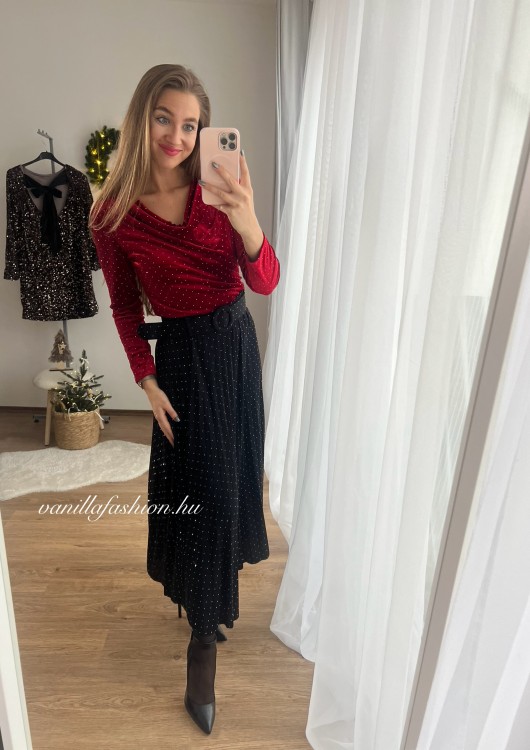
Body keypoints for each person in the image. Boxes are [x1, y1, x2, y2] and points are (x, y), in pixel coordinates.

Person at [89, 63, 280, 735]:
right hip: (179, 359)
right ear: (142, 116)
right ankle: (203, 638)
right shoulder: (112, 212)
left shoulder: (220, 185)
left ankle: (205, 612)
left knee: (228, 489)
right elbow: (122, 306)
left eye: (191, 125)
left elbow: (265, 281)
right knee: (201, 494)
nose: (176, 136)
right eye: (164, 118)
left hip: (233, 347)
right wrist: (145, 380)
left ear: (205, 131)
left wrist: (248, 221)